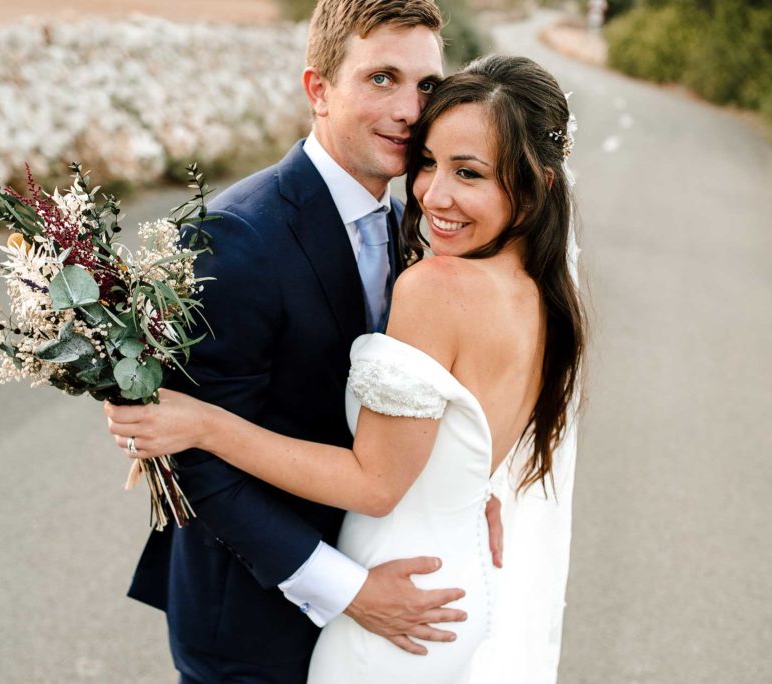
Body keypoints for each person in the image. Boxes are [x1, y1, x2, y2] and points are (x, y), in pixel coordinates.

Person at [107, 55, 586, 683]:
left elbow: (375, 482)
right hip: (449, 590)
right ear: (319, 87)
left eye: (468, 173)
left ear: (539, 184)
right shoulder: (540, 292)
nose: (433, 194)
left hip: (401, 603)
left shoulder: (437, 279)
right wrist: (467, 490)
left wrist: (203, 424)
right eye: (430, 164)